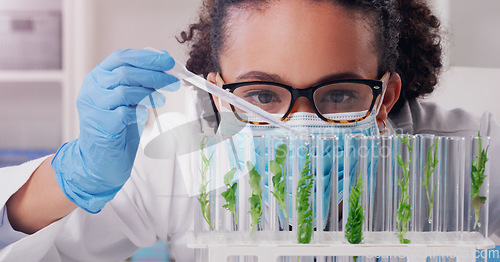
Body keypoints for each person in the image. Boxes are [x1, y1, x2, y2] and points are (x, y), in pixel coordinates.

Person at [1, 0, 498, 261]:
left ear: (386, 96)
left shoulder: (471, 163)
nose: (300, 125)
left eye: (340, 94)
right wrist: (74, 178)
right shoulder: (178, 163)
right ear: (218, 94)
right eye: (262, 95)